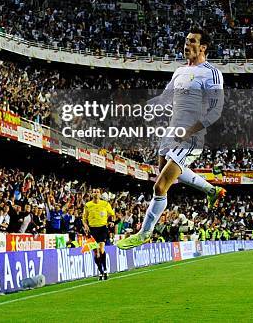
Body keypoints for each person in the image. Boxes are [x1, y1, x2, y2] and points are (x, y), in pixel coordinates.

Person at [118, 29, 225, 250]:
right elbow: (165, 98)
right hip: (171, 133)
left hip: (191, 137)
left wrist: (190, 131)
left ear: (203, 47)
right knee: (164, 179)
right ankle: (212, 190)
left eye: (192, 41)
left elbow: (216, 111)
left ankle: (144, 233)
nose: (187, 45)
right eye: (186, 40)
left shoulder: (211, 73)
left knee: (160, 186)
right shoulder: (179, 72)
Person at [83, 188, 114, 280]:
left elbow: (112, 214)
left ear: (100, 194)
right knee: (96, 253)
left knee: (101, 249)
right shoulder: (88, 205)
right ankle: (100, 271)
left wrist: (111, 221)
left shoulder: (105, 204)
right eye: (94, 192)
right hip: (92, 230)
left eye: (97, 192)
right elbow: (84, 218)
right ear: (91, 194)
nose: (96, 193)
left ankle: (105, 270)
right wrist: (85, 226)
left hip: (102, 228)